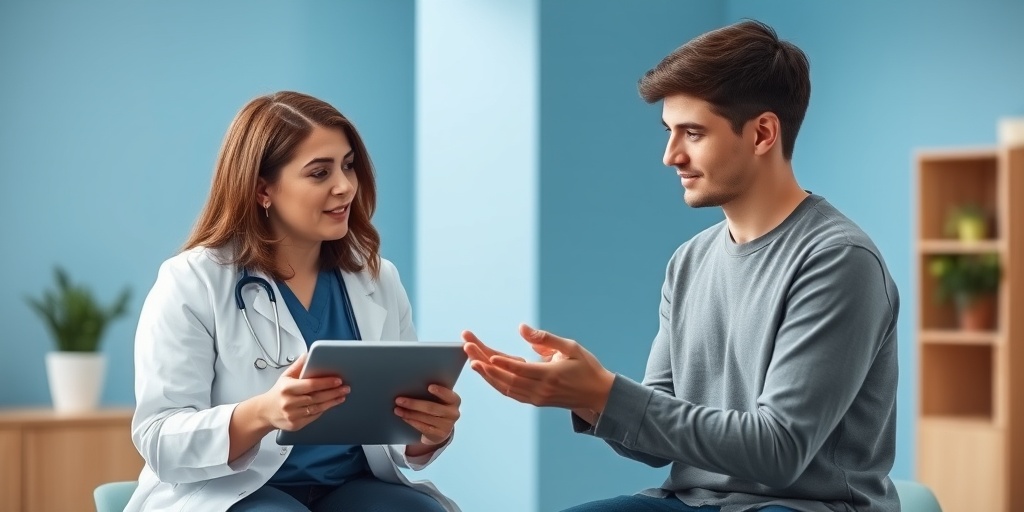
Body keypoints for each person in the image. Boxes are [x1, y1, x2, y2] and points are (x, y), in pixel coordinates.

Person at [463, 20, 900, 512]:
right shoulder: (689, 261)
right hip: (692, 502)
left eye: (692, 133)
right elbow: (654, 440)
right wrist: (582, 395)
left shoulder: (838, 261)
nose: (671, 155)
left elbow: (780, 452)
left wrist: (608, 393)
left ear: (762, 134)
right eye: (670, 132)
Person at [126, 91, 461, 512]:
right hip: (234, 489)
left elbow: (395, 442)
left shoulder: (376, 278)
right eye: (319, 173)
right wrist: (263, 413)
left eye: (348, 165)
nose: (345, 187)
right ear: (263, 189)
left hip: (349, 486)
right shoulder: (192, 280)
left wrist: (429, 432)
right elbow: (159, 437)